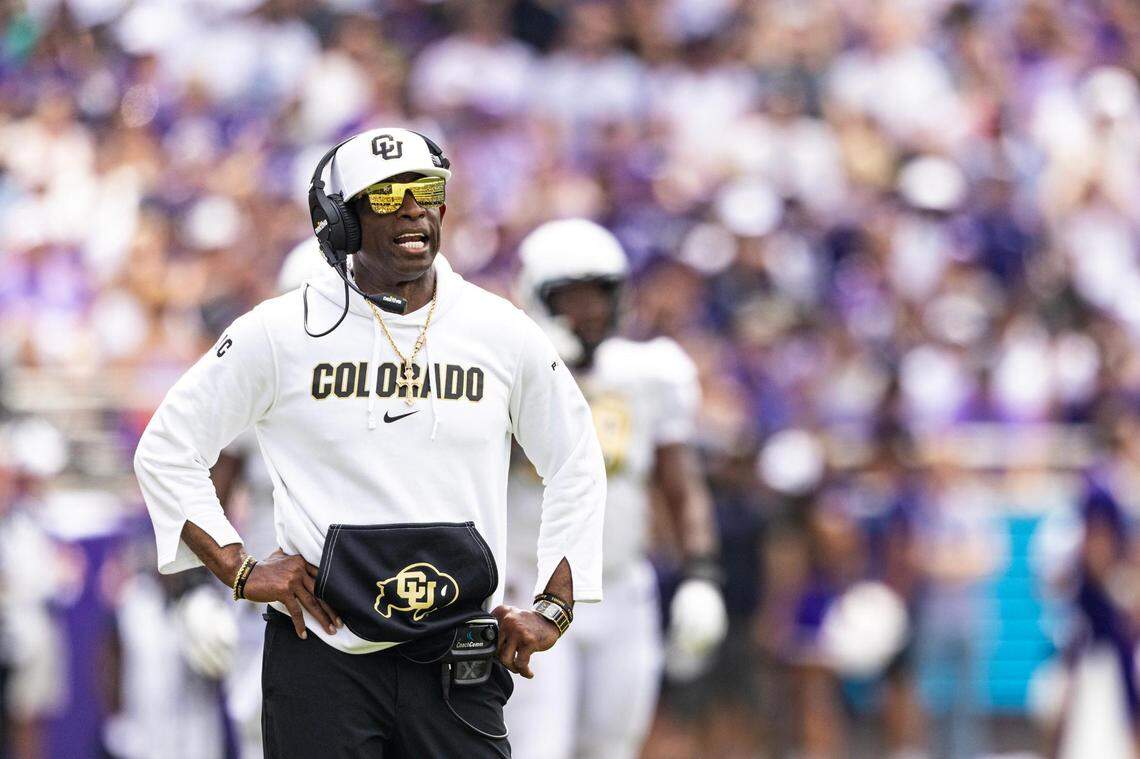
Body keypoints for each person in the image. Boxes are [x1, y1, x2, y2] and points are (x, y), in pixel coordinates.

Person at [133, 127, 607, 758]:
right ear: (342, 222)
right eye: (385, 196)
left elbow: (577, 460)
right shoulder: (281, 330)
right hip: (321, 655)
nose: (412, 208)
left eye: (426, 190)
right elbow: (167, 448)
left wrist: (555, 605)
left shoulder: (501, 331)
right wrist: (236, 568)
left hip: (457, 654)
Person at [503, 219, 727, 759]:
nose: (590, 311)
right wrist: (540, 373)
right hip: (526, 591)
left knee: (612, 747)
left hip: (621, 587)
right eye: (571, 297)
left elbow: (679, 482)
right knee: (536, 747)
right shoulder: (504, 369)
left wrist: (702, 573)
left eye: (599, 294)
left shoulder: (650, 373)